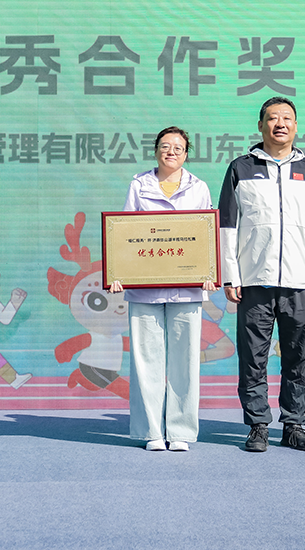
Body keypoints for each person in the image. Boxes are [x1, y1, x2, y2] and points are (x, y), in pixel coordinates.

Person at [218, 97, 305, 452]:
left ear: (296, 126)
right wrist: (230, 275)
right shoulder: (241, 168)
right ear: (260, 125)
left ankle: (294, 424)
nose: (280, 124)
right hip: (254, 280)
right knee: (253, 357)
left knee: (298, 356)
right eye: (272, 118)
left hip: (298, 282)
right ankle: (257, 425)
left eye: (287, 118)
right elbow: (227, 227)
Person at [109, 127, 216, 452]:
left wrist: (210, 272)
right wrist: (118, 272)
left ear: (186, 154)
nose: (171, 152)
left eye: (178, 148)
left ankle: (180, 432)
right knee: (146, 361)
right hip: (145, 289)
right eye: (165, 146)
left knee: (186, 362)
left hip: (187, 288)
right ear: (156, 151)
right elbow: (125, 231)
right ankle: (151, 431)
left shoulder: (199, 187)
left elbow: (207, 233)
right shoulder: (139, 185)